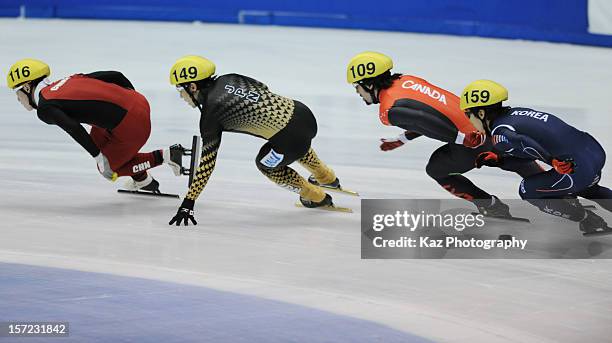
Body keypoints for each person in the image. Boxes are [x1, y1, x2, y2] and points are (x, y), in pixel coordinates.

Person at [346, 51, 542, 216]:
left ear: (369, 84)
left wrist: (462, 139)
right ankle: (561, 194)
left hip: (474, 141)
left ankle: (489, 205)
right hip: (490, 125)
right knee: (521, 165)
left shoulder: (389, 110)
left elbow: (423, 119)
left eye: (357, 86)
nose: (357, 92)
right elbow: (432, 113)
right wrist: (403, 138)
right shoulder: (407, 81)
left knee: (436, 169)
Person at [167, 55, 342, 226]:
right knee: (287, 141)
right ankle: (327, 177)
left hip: (291, 139)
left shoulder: (210, 115)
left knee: (265, 163)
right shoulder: (229, 78)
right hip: (303, 113)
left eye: (179, 90)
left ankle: (316, 197)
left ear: (192, 87)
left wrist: (189, 202)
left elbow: (207, 164)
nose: (181, 96)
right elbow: (263, 87)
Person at [461, 79, 612, 235]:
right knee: (590, 189)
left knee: (527, 190)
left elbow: (524, 142)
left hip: (575, 167)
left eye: (468, 114)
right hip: (593, 151)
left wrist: (551, 161)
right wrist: (501, 161)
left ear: (480, 113)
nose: (469, 120)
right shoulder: (516, 112)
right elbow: (528, 152)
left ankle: (589, 220)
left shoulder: (499, 132)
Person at [6, 58, 181, 192]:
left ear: (27, 87)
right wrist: (131, 101)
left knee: (108, 167)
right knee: (99, 141)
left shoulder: (45, 108)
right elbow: (116, 76)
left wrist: (98, 157)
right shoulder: (69, 79)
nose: (17, 99)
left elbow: (72, 127)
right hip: (138, 102)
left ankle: (166, 156)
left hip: (132, 124)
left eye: (16, 92)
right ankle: (143, 180)